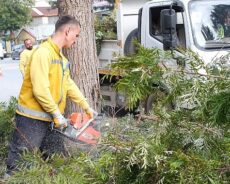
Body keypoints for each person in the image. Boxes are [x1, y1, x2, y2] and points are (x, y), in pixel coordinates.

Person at [5, 15, 95, 177]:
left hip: (51, 120)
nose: (76, 40)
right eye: (76, 35)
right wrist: (57, 114)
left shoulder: (61, 58)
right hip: (31, 120)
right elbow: (40, 89)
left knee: (56, 159)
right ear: (67, 31)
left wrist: (86, 106)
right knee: (21, 161)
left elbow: (68, 84)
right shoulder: (43, 53)